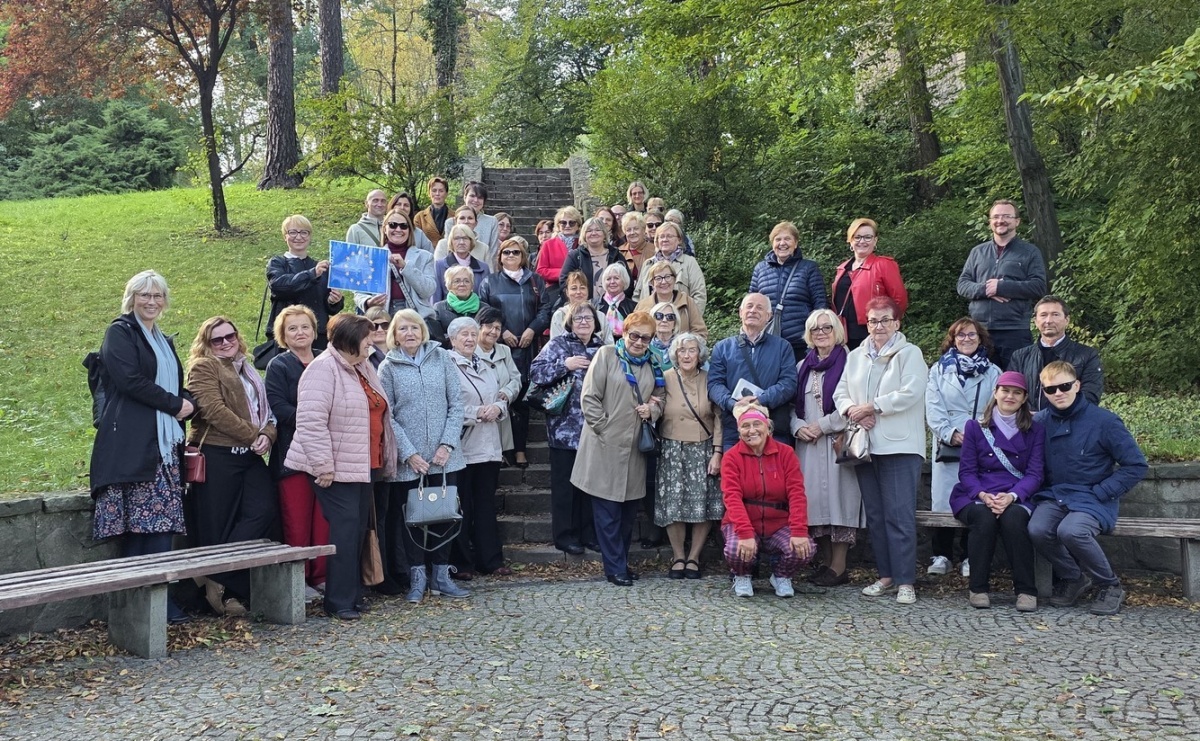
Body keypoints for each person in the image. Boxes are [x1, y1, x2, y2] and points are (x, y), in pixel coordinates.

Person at [89, 270, 195, 625]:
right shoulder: (120, 332)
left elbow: (174, 382)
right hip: (133, 444)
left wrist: (187, 400)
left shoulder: (162, 338)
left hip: (161, 446)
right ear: (131, 298)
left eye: (157, 296)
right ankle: (147, 606)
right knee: (142, 527)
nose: (151, 301)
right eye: (144, 295)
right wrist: (174, 404)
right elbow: (129, 380)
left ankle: (153, 604)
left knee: (157, 526)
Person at [284, 315, 397, 620]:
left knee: (357, 529)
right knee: (345, 531)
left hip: (362, 464)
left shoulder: (362, 368)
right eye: (366, 336)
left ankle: (352, 595)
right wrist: (323, 466)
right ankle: (338, 602)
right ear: (349, 339)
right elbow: (310, 423)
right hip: (333, 468)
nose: (371, 341)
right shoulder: (322, 370)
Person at [1028, 361, 1148, 616]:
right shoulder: (1040, 422)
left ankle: (1110, 585)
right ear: (1043, 392)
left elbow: (1136, 465)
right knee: (1037, 529)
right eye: (1050, 390)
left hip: (1093, 497)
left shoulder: (1104, 421)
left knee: (1072, 531)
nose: (1058, 393)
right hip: (1055, 496)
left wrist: (1104, 491)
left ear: (1077, 385)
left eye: (1064, 386)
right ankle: (1073, 577)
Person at [833, 296, 928, 605]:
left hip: (899, 446)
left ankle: (905, 581)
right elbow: (840, 392)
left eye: (885, 320)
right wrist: (854, 411)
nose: (878, 326)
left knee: (899, 515)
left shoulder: (909, 354)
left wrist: (872, 406)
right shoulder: (856, 356)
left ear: (896, 323)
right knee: (875, 516)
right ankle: (886, 576)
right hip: (864, 446)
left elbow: (911, 393)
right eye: (873, 321)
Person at [186, 317, 279, 616]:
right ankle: (225, 592)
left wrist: (267, 434)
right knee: (218, 524)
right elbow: (213, 411)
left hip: (249, 456)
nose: (226, 342)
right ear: (206, 343)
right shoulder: (203, 367)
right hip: (217, 453)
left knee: (263, 510)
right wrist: (255, 435)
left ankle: (211, 572)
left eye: (231, 336)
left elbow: (266, 412)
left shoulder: (247, 368)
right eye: (218, 340)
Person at [377, 309, 470, 603]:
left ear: (422, 331)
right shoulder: (388, 367)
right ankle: (417, 576)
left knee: (445, 515)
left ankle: (441, 576)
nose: (410, 333)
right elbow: (387, 416)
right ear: (395, 334)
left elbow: (456, 404)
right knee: (413, 520)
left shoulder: (441, 358)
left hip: (444, 458)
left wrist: (447, 445)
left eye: (414, 327)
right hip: (411, 461)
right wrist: (410, 453)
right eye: (402, 328)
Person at [571, 311, 666, 586]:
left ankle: (620, 562)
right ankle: (615, 568)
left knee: (627, 513)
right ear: (624, 333)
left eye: (644, 337)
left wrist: (652, 409)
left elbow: (660, 397)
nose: (638, 341)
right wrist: (604, 428)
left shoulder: (653, 364)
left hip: (635, 447)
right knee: (607, 511)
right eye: (633, 335)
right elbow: (589, 397)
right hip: (604, 445)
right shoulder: (607, 355)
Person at [949, 371, 1044, 611]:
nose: (1010, 396)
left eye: (1017, 393)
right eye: (1005, 390)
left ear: (1024, 399)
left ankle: (1025, 590)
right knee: (983, 518)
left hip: (1017, 492)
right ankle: (978, 588)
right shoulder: (974, 427)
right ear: (995, 393)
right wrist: (982, 495)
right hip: (978, 492)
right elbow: (967, 471)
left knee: (1014, 519)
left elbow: (1035, 474)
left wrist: (1012, 496)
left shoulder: (1036, 430)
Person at [789, 309, 863, 587]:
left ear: (837, 331)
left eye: (827, 327)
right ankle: (826, 563)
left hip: (837, 442)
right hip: (808, 444)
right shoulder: (801, 366)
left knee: (840, 501)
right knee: (815, 504)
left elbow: (853, 404)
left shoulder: (851, 363)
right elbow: (791, 407)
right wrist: (798, 427)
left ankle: (840, 566)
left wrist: (823, 425)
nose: (821, 332)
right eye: (815, 328)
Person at [925, 318, 1001, 579]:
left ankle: (971, 555)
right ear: (952, 339)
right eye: (960, 335)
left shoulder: (993, 372)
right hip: (948, 441)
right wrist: (949, 433)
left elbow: (1000, 408)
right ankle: (942, 554)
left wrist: (978, 434)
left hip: (982, 441)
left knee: (976, 496)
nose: (966, 339)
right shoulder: (938, 370)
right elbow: (932, 406)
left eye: (971, 334)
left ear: (981, 338)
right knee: (942, 499)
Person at [265, 305, 330, 600]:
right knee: (298, 521)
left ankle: (322, 575)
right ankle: (298, 578)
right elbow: (279, 409)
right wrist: (316, 419)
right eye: (292, 328)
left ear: (314, 330)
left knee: (323, 519)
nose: (299, 333)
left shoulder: (327, 361)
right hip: (292, 455)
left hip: (326, 454)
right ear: (283, 335)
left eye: (304, 327)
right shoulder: (279, 366)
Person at [530, 301, 604, 555]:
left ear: (596, 322)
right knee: (565, 487)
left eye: (588, 318)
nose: (584, 322)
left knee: (590, 486)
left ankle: (588, 534)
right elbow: (536, 373)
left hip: (595, 429)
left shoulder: (603, 348)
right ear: (570, 322)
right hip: (564, 429)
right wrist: (565, 365)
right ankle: (564, 536)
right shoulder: (558, 344)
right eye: (578, 318)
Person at [721, 402, 814, 598]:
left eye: (757, 424)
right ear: (739, 431)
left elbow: (797, 494)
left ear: (768, 428)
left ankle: (781, 575)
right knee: (733, 548)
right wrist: (745, 534)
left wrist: (799, 531)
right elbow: (732, 498)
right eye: (746, 426)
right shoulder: (731, 457)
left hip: (778, 524)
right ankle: (742, 574)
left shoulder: (786, 453)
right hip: (744, 522)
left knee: (805, 548)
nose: (751, 430)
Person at [446, 317, 511, 577]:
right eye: (464, 334)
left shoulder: (485, 364)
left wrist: (499, 407)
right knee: (462, 506)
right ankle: (461, 562)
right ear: (452, 339)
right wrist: (476, 413)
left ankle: (491, 560)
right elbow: (446, 406)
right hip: (462, 447)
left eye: (473, 334)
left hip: (489, 446)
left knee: (485, 505)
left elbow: (499, 397)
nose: (471, 339)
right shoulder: (448, 365)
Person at [479, 238, 551, 468]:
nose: (511, 256)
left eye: (516, 252)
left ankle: (520, 449)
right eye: (506, 252)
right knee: (497, 396)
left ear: (524, 256)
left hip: (527, 347)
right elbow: (483, 310)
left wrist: (532, 329)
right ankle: (499, 450)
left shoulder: (535, 281)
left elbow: (546, 309)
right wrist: (503, 332)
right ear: (499, 257)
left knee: (520, 399)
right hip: (498, 347)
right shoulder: (490, 282)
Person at [657, 333, 723, 579]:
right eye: (682, 350)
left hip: (703, 448)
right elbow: (657, 406)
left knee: (702, 504)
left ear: (699, 355)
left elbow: (718, 416)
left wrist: (717, 452)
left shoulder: (710, 379)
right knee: (673, 504)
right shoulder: (665, 378)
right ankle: (678, 556)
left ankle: (694, 556)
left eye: (692, 350)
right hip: (673, 448)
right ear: (674, 354)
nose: (686, 355)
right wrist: (651, 409)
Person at [956, 199, 1049, 368]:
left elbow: (1039, 286)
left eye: (1007, 216)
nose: (1001, 220)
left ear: (1017, 221)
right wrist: (986, 289)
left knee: (1018, 383)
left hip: (1015, 330)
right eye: (996, 216)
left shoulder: (1029, 252)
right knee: (981, 385)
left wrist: (1003, 287)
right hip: (980, 330)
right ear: (990, 221)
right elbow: (962, 285)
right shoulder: (977, 252)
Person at [708, 293, 798, 450]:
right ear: (740, 312)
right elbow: (714, 384)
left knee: (773, 474)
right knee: (737, 474)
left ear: (768, 316)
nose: (753, 310)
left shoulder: (783, 347)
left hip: (773, 428)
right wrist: (733, 404)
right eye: (749, 306)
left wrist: (760, 400)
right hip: (735, 428)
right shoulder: (722, 348)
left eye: (759, 307)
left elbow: (788, 383)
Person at [748, 221, 828, 361]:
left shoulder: (809, 268)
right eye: (778, 239)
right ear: (772, 243)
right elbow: (751, 303)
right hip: (767, 341)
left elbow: (820, 305)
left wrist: (816, 337)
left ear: (795, 243)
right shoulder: (760, 269)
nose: (782, 243)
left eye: (787, 239)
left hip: (800, 344)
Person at [1008, 295, 1103, 411]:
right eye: (1043, 315)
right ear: (1035, 321)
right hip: (1030, 425)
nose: (1049, 321)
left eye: (1055, 314)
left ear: (1066, 320)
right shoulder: (1020, 357)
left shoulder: (1087, 355)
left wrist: (1054, 417)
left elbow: (1090, 396)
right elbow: (1012, 393)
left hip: (1068, 424)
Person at [265, 215, 345, 354]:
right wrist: (312, 274)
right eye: (293, 232)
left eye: (304, 232)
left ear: (309, 236)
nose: (299, 237)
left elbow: (330, 308)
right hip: (286, 335)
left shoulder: (321, 267)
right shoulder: (278, 262)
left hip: (317, 335)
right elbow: (279, 286)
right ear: (285, 236)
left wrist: (334, 301)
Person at [831, 218, 908, 349]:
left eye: (868, 237)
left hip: (873, 332)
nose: (862, 241)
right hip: (843, 333)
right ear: (850, 240)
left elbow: (900, 300)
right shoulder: (842, 268)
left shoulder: (884, 265)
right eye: (858, 237)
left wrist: (886, 324)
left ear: (875, 240)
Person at [355, 209, 437, 323]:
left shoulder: (425, 257)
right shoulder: (372, 257)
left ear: (410, 230)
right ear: (384, 228)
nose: (398, 229)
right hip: (382, 317)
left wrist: (406, 267)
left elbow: (428, 291)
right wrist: (368, 302)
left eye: (403, 226)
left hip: (417, 317)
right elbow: (359, 292)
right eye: (393, 225)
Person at [475, 306, 522, 463]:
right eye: (489, 326)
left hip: (501, 413)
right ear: (479, 327)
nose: (493, 332)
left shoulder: (504, 350)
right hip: (478, 419)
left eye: (498, 328)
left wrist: (508, 393)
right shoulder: (469, 352)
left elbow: (516, 379)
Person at [634, 222, 707, 314]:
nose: (665, 239)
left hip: (679, 323)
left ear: (679, 239)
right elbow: (637, 295)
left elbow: (699, 295)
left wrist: (690, 320)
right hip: (649, 323)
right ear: (657, 241)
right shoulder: (648, 264)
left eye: (669, 236)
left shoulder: (689, 262)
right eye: (662, 236)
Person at [633, 260, 707, 340]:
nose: (663, 282)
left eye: (668, 277)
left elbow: (700, 333)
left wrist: (685, 346)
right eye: (658, 278)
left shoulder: (687, 302)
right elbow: (634, 333)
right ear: (652, 283)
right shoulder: (642, 306)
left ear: (675, 279)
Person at [559, 216, 631, 299]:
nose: (593, 233)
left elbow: (627, 282)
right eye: (589, 230)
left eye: (597, 230)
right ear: (584, 235)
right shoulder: (575, 256)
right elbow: (564, 283)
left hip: (612, 307)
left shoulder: (616, 255)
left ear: (604, 233)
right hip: (583, 305)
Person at [431, 265, 496, 345]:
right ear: (449, 285)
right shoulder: (439, 308)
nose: (462, 284)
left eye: (466, 281)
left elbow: (488, 335)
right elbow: (438, 338)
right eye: (457, 281)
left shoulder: (484, 308)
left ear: (472, 285)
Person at [534, 206, 583, 306]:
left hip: (580, 290)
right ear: (558, 225)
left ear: (578, 225)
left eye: (572, 222)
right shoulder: (548, 244)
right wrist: (564, 273)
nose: (567, 225)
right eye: (563, 223)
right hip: (555, 291)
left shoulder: (584, 244)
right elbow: (540, 271)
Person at [550, 270, 613, 344]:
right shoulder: (559, 315)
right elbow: (554, 347)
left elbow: (610, 347)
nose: (578, 292)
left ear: (587, 291)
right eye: (574, 288)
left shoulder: (600, 316)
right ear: (567, 292)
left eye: (582, 288)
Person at [433, 224, 491, 302]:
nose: (461, 242)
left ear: (471, 241)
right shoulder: (439, 265)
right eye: (457, 238)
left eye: (465, 238)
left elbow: (486, 300)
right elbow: (436, 297)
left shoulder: (483, 268)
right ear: (451, 242)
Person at [594, 264, 638, 340]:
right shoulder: (593, 305)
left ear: (624, 281)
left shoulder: (634, 307)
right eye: (608, 279)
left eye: (616, 278)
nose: (612, 282)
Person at [463, 182, 501, 259]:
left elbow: (493, 252)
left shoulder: (492, 221)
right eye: (472, 196)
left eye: (480, 197)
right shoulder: (452, 221)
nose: (476, 200)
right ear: (465, 197)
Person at [413, 175, 453, 245]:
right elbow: (416, 241)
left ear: (446, 193)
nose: (437, 194)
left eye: (441, 191)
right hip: (426, 254)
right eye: (434, 190)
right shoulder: (419, 217)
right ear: (429, 193)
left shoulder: (455, 216)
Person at [620, 211, 654, 279]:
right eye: (628, 230)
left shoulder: (654, 250)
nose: (632, 232)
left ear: (643, 230)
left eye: (636, 228)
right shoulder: (618, 252)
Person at [647, 301, 677, 369]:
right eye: (659, 316)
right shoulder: (644, 344)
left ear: (675, 323)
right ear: (652, 320)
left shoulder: (682, 345)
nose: (664, 320)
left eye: (670, 317)